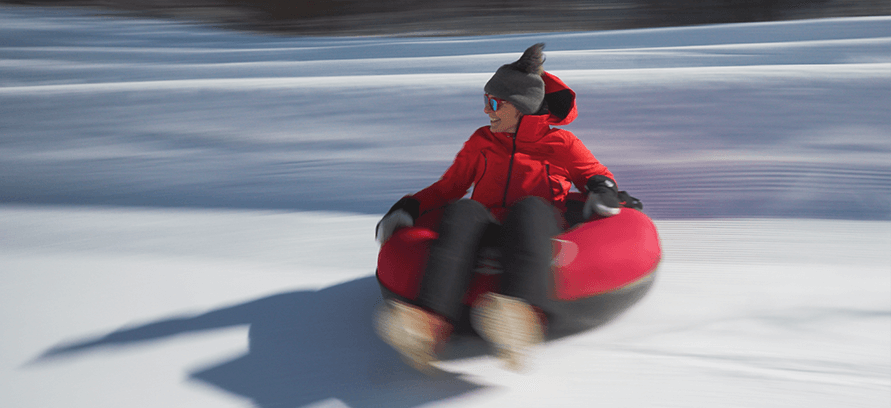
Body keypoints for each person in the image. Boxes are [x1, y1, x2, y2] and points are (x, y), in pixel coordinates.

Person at [374, 43, 623, 372]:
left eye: (494, 103)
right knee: (462, 211)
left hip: (536, 225)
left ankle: (518, 318)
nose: (487, 111)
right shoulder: (481, 142)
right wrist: (411, 206)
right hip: (488, 225)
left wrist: (604, 191)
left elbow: (595, 175)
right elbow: (450, 187)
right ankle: (427, 323)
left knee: (530, 207)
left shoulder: (561, 144)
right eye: (485, 101)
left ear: (520, 107)